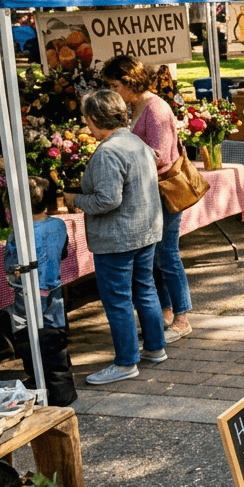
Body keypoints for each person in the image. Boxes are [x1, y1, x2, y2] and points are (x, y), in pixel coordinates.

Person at [64, 90, 166, 385]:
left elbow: (108, 200)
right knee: (144, 289)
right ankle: (155, 347)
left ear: (96, 118)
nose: (86, 126)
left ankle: (125, 363)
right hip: (144, 231)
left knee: (118, 300)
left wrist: (76, 200)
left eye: (87, 119)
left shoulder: (109, 150)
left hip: (118, 237)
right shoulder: (135, 141)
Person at [102, 55, 193, 342]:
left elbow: (160, 155)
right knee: (153, 257)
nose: (114, 92)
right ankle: (165, 312)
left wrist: (123, 161)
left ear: (130, 81)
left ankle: (182, 317)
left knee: (167, 256)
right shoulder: (137, 105)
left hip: (163, 192)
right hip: (149, 192)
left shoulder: (154, 108)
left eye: (116, 85)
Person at [6, 176, 76, 405]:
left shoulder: (19, 233)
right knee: (55, 337)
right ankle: (62, 390)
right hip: (53, 289)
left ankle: (37, 384)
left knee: (27, 339)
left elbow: (11, 265)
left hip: (25, 294)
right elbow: (63, 252)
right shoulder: (58, 224)